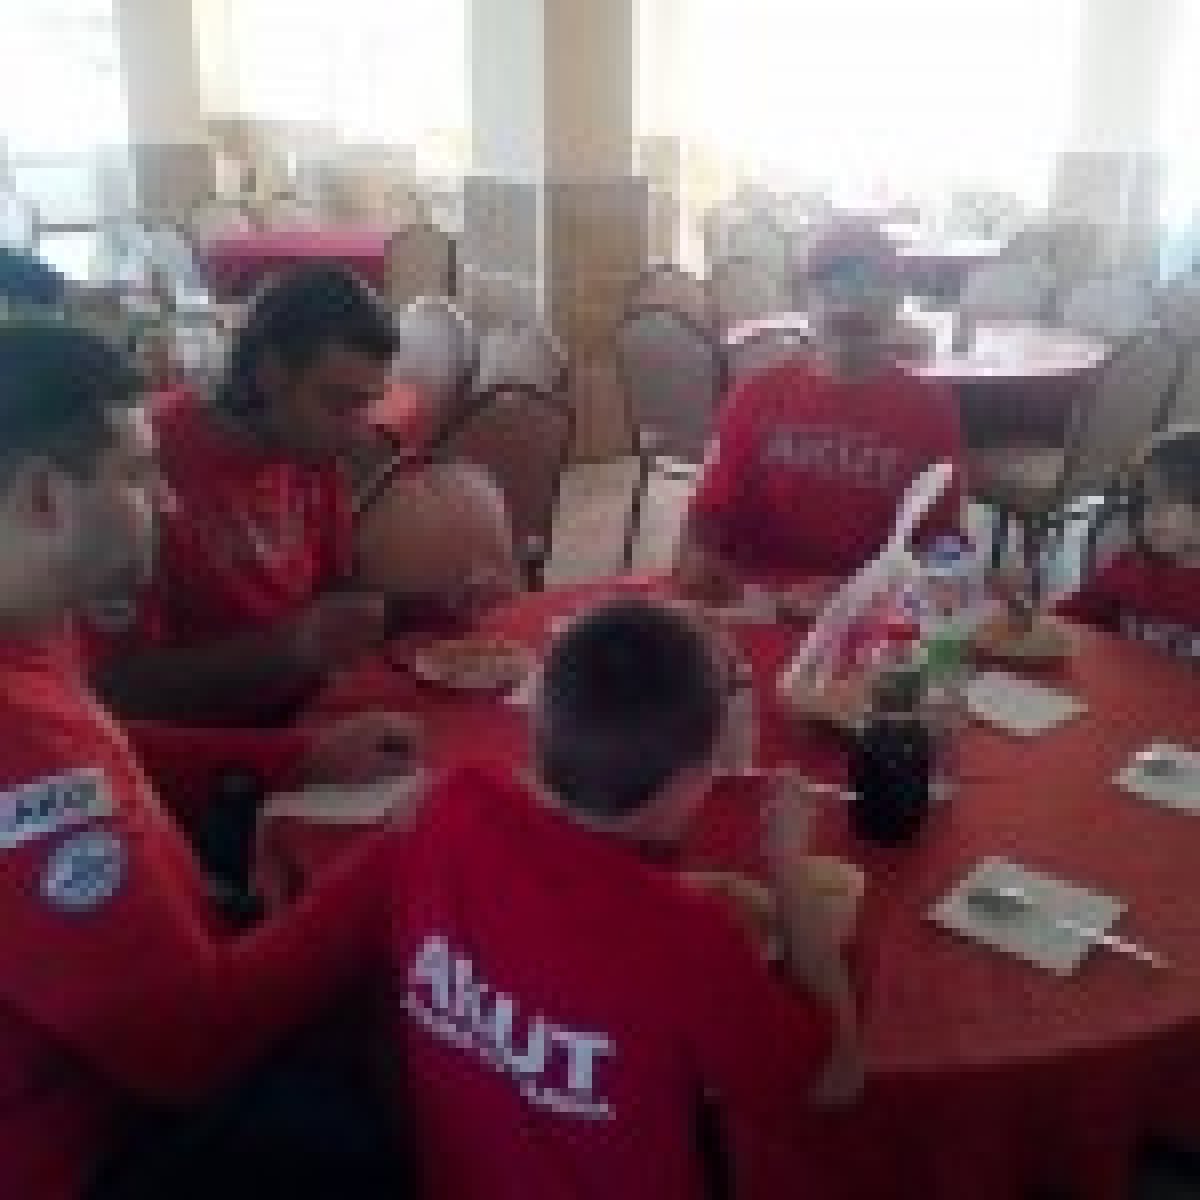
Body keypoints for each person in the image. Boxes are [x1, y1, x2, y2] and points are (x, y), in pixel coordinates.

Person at [0, 320, 420, 1198]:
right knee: (405, 1113)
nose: (166, 500)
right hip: (93, 1145)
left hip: (126, 1021)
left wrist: (295, 759)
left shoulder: (31, 631)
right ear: (42, 499)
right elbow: (195, 1043)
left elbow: (110, 749)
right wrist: (399, 856)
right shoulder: (26, 749)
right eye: (135, 474)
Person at [381, 599, 861, 1199]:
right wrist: (788, 865)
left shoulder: (454, 800)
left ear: (538, 726)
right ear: (697, 776)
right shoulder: (687, 938)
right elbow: (837, 1077)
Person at [90, 263, 400, 724]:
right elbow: (115, 692)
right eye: (339, 404)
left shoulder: (313, 456)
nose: (357, 434)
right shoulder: (142, 466)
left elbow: (337, 597)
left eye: (366, 404)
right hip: (202, 752)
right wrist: (288, 650)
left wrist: (423, 605)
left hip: (309, 721)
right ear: (271, 374)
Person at [675, 222, 964, 605]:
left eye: (872, 286)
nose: (851, 305)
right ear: (805, 299)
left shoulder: (930, 411)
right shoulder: (754, 397)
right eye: (833, 286)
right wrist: (701, 564)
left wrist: (947, 581)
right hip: (765, 601)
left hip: (873, 610)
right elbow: (708, 519)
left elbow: (942, 539)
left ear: (896, 301)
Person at [1055, 425, 1200, 661]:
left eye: (1169, 498)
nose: (1151, 512)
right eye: (1146, 500)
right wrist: (1027, 618)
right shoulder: (1129, 567)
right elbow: (1070, 617)